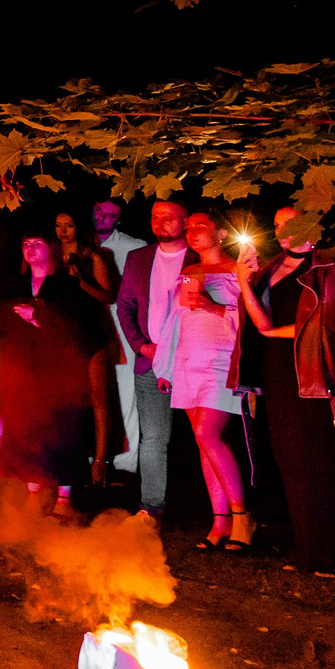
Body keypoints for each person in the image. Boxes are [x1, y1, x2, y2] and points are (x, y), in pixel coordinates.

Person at [235, 204, 335, 575]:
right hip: (279, 373)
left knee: (325, 463)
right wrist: (244, 281)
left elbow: (331, 325)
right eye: (277, 224)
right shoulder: (270, 269)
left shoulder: (332, 267)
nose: (282, 231)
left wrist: (272, 332)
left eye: (291, 223)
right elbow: (260, 323)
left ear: (312, 224)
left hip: (316, 372)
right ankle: (311, 553)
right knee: (293, 461)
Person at [162, 210, 251, 549]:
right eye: (188, 227)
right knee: (203, 443)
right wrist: (166, 366)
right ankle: (220, 520)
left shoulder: (238, 269)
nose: (192, 231)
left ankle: (243, 516)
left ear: (222, 234)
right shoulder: (188, 272)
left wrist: (213, 307)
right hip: (189, 360)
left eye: (200, 226)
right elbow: (176, 322)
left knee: (207, 433)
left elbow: (252, 318)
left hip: (222, 360)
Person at [0, 232, 104, 514]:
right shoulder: (16, 285)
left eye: (37, 243)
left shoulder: (67, 285)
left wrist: (38, 317)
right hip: (25, 367)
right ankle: (33, 492)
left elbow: (77, 326)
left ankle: (63, 499)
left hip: (60, 370)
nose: (30, 248)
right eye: (25, 244)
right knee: (27, 426)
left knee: (63, 428)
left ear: (52, 249)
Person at [113, 200, 188, 518]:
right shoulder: (139, 257)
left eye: (168, 217)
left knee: (208, 436)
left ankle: (225, 510)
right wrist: (141, 346)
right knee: (153, 437)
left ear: (185, 222)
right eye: (155, 216)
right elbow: (125, 305)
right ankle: (150, 508)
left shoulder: (199, 258)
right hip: (151, 360)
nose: (160, 222)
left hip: (192, 360)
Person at [51, 210, 121, 484]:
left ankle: (101, 462)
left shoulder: (93, 257)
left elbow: (108, 295)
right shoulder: (51, 255)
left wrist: (81, 281)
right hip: (61, 336)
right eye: (58, 225)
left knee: (98, 398)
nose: (63, 231)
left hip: (91, 332)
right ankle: (69, 459)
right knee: (65, 399)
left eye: (69, 225)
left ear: (78, 227)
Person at [95, 200, 145, 474]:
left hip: (120, 325)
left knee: (126, 391)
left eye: (109, 214)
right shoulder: (76, 245)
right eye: (98, 211)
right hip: (89, 324)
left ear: (119, 218)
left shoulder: (133, 246)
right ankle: (94, 454)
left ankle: (128, 459)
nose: (101, 217)